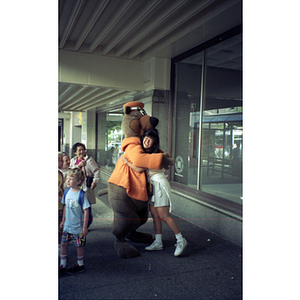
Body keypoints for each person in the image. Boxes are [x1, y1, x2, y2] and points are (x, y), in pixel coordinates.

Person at [121, 129, 188, 256]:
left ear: (154, 142)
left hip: (159, 184)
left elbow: (139, 169)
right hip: (152, 186)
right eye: (145, 138)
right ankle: (158, 242)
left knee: (163, 215)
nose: (146, 141)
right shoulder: (144, 153)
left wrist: (127, 162)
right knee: (155, 215)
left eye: (150, 139)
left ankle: (181, 240)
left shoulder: (155, 154)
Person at [59, 168, 90, 275]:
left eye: (71, 179)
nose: (67, 181)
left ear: (78, 182)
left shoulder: (82, 195)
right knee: (63, 244)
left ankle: (80, 264)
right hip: (67, 226)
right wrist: (63, 220)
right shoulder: (67, 192)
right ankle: (62, 265)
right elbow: (65, 207)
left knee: (79, 246)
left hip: (77, 228)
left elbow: (86, 211)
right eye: (67, 178)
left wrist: (84, 227)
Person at [58, 152, 64, 257]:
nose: (62, 162)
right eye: (60, 160)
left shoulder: (60, 173)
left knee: (59, 228)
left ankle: (59, 247)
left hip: (59, 207)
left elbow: (62, 188)